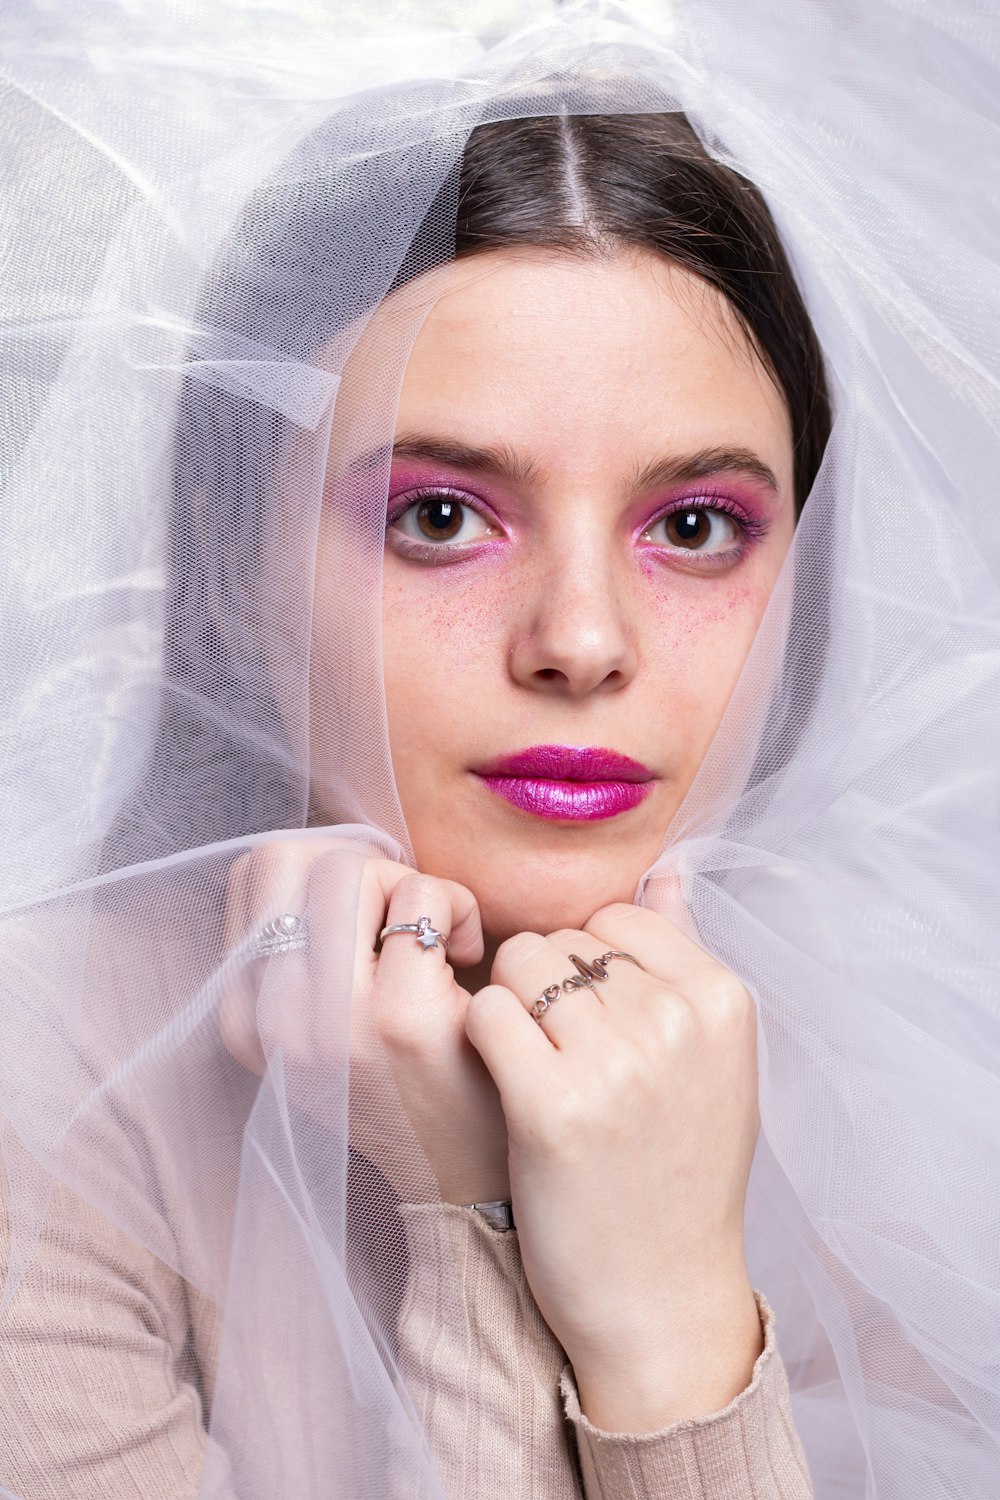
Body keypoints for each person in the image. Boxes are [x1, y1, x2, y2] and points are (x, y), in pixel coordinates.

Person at [2, 5, 999, 1498]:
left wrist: (669, 1321)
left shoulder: (884, 1097)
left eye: (696, 526)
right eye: (443, 515)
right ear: (226, 566)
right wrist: (474, 1234)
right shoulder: (42, 1098)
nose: (583, 640)